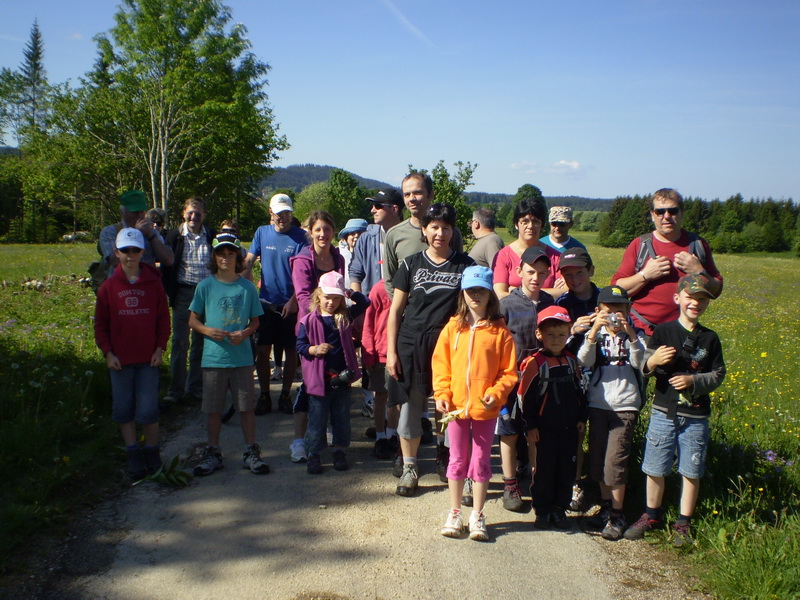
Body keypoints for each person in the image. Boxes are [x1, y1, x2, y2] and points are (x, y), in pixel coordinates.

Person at [624, 274, 725, 546]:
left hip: (696, 416)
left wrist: (694, 381)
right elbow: (644, 368)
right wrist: (654, 359)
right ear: (677, 298)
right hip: (663, 410)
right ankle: (651, 514)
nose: (696, 303)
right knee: (655, 467)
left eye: (702, 299)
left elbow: (718, 374)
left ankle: (683, 523)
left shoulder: (710, 338)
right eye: (691, 298)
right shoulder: (663, 331)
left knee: (691, 471)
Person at [386, 203, 474, 497]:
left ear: (453, 231)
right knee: (410, 407)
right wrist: (392, 352)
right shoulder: (410, 264)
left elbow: (474, 307)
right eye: (434, 227)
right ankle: (410, 467)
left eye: (446, 227)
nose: (440, 232)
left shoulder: (466, 265)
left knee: (446, 406)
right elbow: (396, 310)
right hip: (411, 342)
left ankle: (444, 456)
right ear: (424, 230)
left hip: (449, 344)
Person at [434, 266, 517, 541]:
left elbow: (508, 372)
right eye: (470, 291)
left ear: (490, 293)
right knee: (457, 460)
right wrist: (442, 394)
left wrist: (497, 391)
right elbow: (441, 366)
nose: (475, 296)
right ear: (463, 294)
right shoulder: (452, 327)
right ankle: (455, 512)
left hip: (486, 408)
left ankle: (478, 515)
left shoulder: (500, 332)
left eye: (481, 290)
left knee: (481, 461)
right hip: (456, 408)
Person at [188, 232, 268, 477]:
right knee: (213, 408)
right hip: (213, 358)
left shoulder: (247, 288)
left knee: (246, 407)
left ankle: (250, 451)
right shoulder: (205, 286)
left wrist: (244, 333)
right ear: (214, 257)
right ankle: (213, 451)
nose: (225, 258)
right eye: (221, 254)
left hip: (241, 358)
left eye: (230, 254)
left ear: (238, 257)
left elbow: (256, 322)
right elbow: (192, 320)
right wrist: (206, 330)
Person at [94, 227, 170, 480]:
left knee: (148, 410)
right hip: (120, 360)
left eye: (135, 250)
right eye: (125, 251)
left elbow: (163, 319)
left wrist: (160, 347)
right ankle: (133, 454)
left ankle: (152, 451)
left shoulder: (154, 284)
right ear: (116, 253)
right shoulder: (108, 287)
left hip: (148, 358)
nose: (130, 255)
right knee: (123, 410)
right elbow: (101, 324)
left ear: (142, 252)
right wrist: (107, 353)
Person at [577, 285, 646, 540]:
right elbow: (583, 360)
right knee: (598, 459)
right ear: (598, 311)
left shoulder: (635, 335)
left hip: (625, 405)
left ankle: (618, 514)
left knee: (615, 462)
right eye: (609, 310)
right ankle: (606, 509)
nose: (615, 315)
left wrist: (630, 335)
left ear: (628, 311)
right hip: (598, 403)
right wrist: (593, 331)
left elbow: (641, 363)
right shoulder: (596, 334)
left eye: (620, 309)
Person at [611, 188, 723, 337]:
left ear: (682, 213)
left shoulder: (697, 245)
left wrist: (699, 272)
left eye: (673, 211)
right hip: (641, 332)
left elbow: (716, 290)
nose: (666, 216)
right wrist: (645, 275)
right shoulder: (640, 245)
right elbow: (616, 290)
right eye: (660, 212)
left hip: (682, 333)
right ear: (652, 215)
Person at [518, 305, 587, 530]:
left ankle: (560, 509)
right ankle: (543, 510)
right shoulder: (534, 363)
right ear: (539, 334)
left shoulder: (571, 362)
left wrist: (581, 418)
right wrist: (530, 425)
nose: (556, 339)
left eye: (561, 334)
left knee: (566, 470)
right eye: (550, 334)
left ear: (569, 334)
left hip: (568, 428)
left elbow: (580, 391)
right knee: (543, 470)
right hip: (543, 429)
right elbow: (524, 398)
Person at [496, 246, 555, 512]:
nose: (536, 278)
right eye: (531, 272)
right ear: (519, 271)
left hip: (539, 383)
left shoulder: (550, 305)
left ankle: (536, 481)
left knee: (534, 433)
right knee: (508, 432)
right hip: (510, 380)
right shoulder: (506, 305)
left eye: (542, 273)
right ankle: (510, 484)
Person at [287, 210, 346, 462]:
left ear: (334, 232)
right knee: (310, 388)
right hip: (311, 327)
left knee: (334, 383)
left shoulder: (338, 257)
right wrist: (321, 318)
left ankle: (329, 437)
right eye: (318, 229)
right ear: (310, 232)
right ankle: (300, 441)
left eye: (327, 229)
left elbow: (342, 292)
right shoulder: (302, 259)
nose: (323, 234)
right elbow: (302, 297)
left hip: (334, 327)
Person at [296, 272, 369, 474]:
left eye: (336, 298)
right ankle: (314, 454)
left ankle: (339, 451)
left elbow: (364, 302)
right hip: (318, 380)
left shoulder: (344, 317)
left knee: (341, 418)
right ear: (318, 295)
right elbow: (300, 344)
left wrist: (348, 292)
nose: (331, 302)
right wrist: (314, 349)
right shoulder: (309, 320)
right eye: (328, 297)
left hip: (342, 378)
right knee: (317, 420)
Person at [244, 194, 308, 415]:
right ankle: (264, 394)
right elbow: (249, 261)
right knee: (263, 351)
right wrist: (241, 287)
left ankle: (285, 395)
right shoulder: (262, 232)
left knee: (291, 351)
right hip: (265, 303)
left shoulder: (301, 237)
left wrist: (293, 301)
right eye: (279, 213)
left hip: (290, 304)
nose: (283, 217)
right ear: (271, 213)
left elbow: (303, 273)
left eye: (287, 213)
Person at [554, 246, 601, 511]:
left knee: (598, 433)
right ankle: (572, 483)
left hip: (602, 374)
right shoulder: (561, 303)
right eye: (568, 275)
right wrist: (573, 329)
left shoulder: (605, 299)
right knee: (575, 431)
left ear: (591, 271)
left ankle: (593, 485)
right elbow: (554, 342)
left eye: (580, 273)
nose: (574, 279)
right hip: (572, 375)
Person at [162, 197, 216, 404]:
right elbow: (167, 268)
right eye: (190, 213)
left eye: (198, 213)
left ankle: (195, 388)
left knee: (201, 343)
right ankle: (175, 390)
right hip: (183, 293)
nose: (194, 217)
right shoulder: (175, 236)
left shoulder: (210, 235)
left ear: (204, 215)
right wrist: (169, 293)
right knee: (179, 342)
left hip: (205, 295)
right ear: (183, 213)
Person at [491, 198, 562, 299]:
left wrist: (516, 291)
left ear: (542, 225)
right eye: (525, 221)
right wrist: (549, 293)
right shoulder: (503, 256)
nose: (530, 226)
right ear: (516, 224)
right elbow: (500, 295)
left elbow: (564, 292)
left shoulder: (556, 257)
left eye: (536, 222)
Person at [361, 278, 398, 459]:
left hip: (400, 353)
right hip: (380, 352)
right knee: (380, 396)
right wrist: (368, 354)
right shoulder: (378, 289)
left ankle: (392, 434)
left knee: (396, 399)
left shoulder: (409, 287)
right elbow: (368, 323)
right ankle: (380, 437)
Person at [98, 190, 174, 277]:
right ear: (122, 212)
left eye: (141, 211)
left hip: (146, 284)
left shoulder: (151, 232)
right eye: (134, 212)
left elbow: (169, 260)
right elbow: (116, 262)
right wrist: (136, 234)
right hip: (122, 286)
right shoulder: (110, 231)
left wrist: (151, 237)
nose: (139, 215)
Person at [349, 188, 404, 296]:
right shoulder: (366, 239)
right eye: (372, 206)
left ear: (394, 209)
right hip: (373, 306)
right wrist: (360, 303)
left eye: (378, 206)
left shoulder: (410, 237)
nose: (372, 210)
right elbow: (355, 274)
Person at [338, 218, 368, 289]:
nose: (356, 236)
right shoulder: (339, 255)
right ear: (346, 237)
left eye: (360, 233)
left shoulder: (372, 255)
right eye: (352, 233)